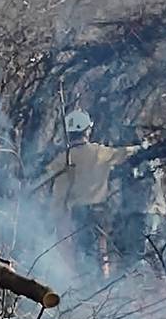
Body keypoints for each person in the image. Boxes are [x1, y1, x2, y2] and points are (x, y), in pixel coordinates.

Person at [44, 110, 138, 275]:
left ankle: (86, 285)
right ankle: (102, 284)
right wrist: (141, 147)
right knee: (101, 251)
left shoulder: (64, 159)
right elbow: (122, 153)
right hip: (100, 210)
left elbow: (58, 193)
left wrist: (55, 216)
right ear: (87, 130)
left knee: (81, 252)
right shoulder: (99, 152)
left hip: (77, 212)